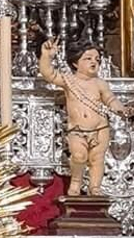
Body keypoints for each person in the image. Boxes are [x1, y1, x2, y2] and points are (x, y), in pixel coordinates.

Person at [39, 39, 123, 195]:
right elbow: (48, 74)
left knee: (97, 159)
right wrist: (46, 56)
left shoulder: (100, 84)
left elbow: (111, 99)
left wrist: (120, 109)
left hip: (100, 128)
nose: (94, 62)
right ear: (75, 63)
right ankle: (76, 182)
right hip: (77, 129)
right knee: (78, 156)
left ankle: (95, 187)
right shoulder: (69, 81)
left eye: (97, 59)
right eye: (88, 58)